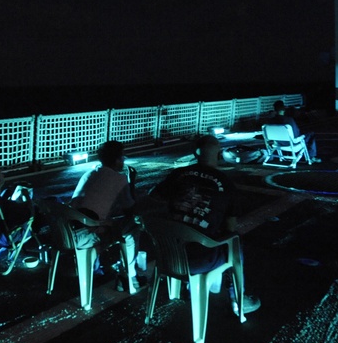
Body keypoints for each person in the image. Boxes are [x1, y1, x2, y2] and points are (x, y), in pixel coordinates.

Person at [150, 135, 260, 316]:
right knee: (235, 240)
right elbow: (230, 228)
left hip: (167, 255)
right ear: (218, 155)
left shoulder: (178, 174)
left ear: (195, 153)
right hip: (200, 261)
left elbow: (153, 196)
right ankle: (237, 299)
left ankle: (187, 286)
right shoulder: (226, 183)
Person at [70, 140, 142, 294]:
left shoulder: (89, 174)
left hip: (66, 232)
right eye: (122, 158)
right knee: (133, 227)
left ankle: (96, 265)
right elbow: (130, 209)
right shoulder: (119, 179)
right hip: (86, 235)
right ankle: (128, 276)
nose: (123, 161)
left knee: (109, 223)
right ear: (117, 160)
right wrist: (131, 183)